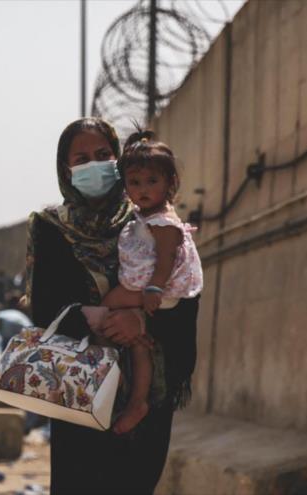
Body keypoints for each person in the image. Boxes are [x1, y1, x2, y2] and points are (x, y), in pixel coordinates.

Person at [24, 117, 199, 495]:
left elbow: (184, 293)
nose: (94, 165)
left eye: (103, 155)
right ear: (65, 169)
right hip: (82, 392)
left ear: (119, 159)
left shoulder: (149, 220)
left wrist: (141, 321)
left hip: (145, 395)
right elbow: (44, 310)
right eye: (82, 158)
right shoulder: (51, 228)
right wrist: (97, 317)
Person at [99, 131, 203, 434]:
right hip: (149, 286)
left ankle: (107, 357)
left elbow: (167, 258)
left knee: (105, 307)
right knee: (140, 346)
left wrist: (154, 289)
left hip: (154, 287)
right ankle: (137, 402)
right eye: (135, 182)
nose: (143, 189)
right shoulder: (146, 215)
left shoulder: (163, 222)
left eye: (152, 181)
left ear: (170, 183)